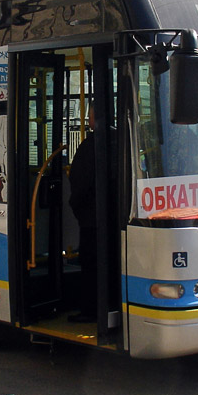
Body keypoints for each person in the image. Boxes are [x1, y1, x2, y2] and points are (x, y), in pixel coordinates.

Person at [67, 105, 113, 323]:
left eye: (90, 115)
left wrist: (75, 207)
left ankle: (89, 311)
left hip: (92, 220)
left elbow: (80, 184)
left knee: (90, 267)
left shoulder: (90, 146)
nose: (88, 120)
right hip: (115, 219)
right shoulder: (121, 140)